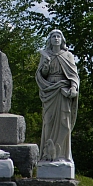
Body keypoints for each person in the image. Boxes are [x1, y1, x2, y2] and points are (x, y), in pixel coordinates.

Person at [35, 29, 79, 162]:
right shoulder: (45, 55)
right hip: (49, 91)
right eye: (53, 36)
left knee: (64, 123)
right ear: (50, 40)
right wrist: (46, 66)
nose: (56, 38)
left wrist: (73, 87)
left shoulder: (68, 55)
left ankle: (61, 155)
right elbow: (41, 74)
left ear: (62, 40)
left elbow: (73, 74)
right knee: (48, 122)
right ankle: (48, 154)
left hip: (62, 92)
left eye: (58, 36)